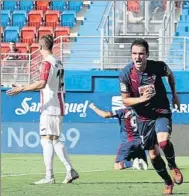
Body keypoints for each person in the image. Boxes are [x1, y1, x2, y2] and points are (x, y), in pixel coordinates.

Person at [6, 35, 79, 184]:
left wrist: (22, 88)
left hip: (50, 106)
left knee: (46, 140)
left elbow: (41, 83)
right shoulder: (58, 62)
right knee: (55, 139)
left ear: (39, 48)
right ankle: (69, 169)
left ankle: (49, 176)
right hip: (58, 104)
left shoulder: (46, 63)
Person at [119, 39, 183, 195]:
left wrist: (174, 94)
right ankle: (167, 182)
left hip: (161, 111)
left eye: (141, 54)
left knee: (163, 142)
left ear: (147, 54)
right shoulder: (126, 74)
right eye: (134, 54)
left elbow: (170, 74)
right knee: (153, 154)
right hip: (143, 117)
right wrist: (142, 100)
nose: (138, 57)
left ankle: (173, 166)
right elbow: (125, 100)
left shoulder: (157, 67)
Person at [89, 102, 148, 170]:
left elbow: (105, 115)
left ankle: (133, 163)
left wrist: (93, 107)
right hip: (140, 142)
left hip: (128, 142)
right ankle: (139, 161)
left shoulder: (122, 111)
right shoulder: (141, 111)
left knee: (117, 165)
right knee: (143, 165)